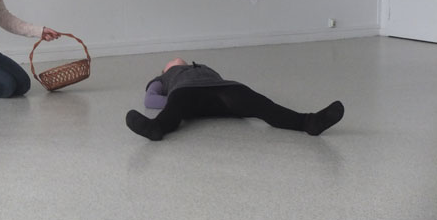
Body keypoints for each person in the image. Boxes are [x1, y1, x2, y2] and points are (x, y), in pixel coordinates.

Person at [126, 58, 344, 141]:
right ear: (165, 70)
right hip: (187, 94)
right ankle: (156, 128)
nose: (177, 60)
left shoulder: (202, 67)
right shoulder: (163, 79)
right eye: (171, 62)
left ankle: (309, 122)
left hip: (222, 91)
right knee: (178, 101)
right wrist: (176, 105)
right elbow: (150, 100)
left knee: (260, 104)